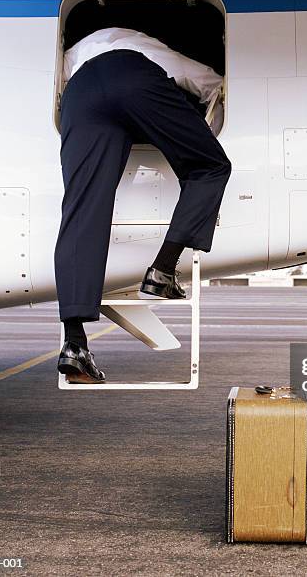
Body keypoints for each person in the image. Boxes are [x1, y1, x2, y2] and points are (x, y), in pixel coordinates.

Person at [54, 27, 231, 384]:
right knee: (211, 167)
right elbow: (207, 82)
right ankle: (162, 271)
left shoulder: (71, 54)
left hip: (80, 95)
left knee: (81, 209)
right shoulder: (138, 42)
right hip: (132, 78)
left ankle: (75, 344)